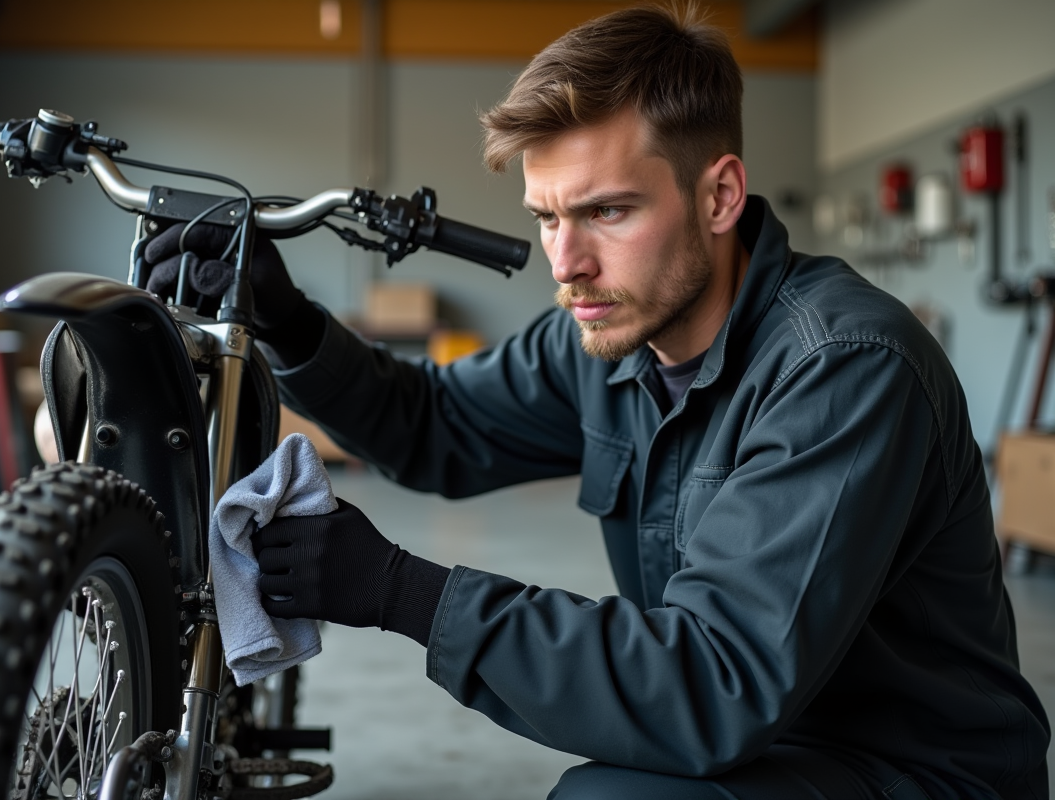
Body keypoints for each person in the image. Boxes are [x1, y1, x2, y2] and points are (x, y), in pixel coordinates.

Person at [174, 6, 1051, 798]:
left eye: (607, 212)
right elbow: (433, 424)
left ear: (719, 195)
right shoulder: (607, 340)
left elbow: (717, 682)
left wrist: (401, 591)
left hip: (909, 769)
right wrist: (289, 320)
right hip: (771, 747)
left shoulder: (843, 369)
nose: (566, 263)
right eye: (548, 217)